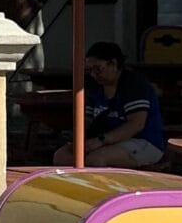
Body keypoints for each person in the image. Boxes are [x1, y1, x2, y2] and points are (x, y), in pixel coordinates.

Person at [55, 40, 166, 169]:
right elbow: (87, 121)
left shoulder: (133, 85)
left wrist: (101, 140)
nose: (94, 74)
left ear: (113, 63)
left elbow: (136, 125)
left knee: (96, 160)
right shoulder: (94, 87)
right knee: (62, 156)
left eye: (98, 69)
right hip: (105, 142)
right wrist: (78, 139)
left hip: (144, 142)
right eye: (90, 70)